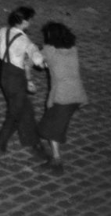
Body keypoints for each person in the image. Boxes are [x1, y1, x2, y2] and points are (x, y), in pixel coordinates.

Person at [0, 5, 48, 162]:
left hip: (4, 76)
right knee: (15, 114)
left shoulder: (2, 31)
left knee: (26, 110)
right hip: (17, 80)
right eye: (30, 20)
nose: (31, 23)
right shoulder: (25, 41)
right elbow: (40, 62)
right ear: (25, 22)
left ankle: (34, 143)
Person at [36, 21, 88, 170]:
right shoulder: (73, 49)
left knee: (49, 129)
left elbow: (38, 62)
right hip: (77, 94)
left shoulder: (49, 50)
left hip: (62, 97)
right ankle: (54, 157)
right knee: (53, 126)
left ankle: (56, 160)